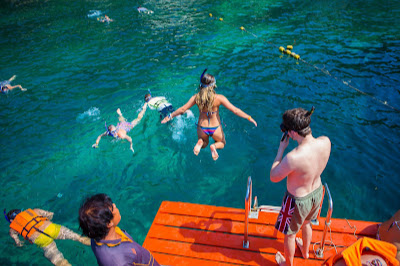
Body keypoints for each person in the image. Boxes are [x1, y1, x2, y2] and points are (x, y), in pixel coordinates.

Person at [270, 107, 331, 266]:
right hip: (317, 193)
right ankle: (305, 251)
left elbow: (274, 176)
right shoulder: (326, 141)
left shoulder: (293, 157)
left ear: (293, 133)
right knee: (307, 223)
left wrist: (281, 149)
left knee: (289, 235)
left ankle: (288, 264)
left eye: (287, 130)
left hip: (296, 201)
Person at [161, 69, 257, 160]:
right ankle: (214, 146)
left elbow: (182, 109)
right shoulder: (219, 98)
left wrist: (169, 116)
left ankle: (200, 142)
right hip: (215, 127)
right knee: (222, 143)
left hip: (202, 127)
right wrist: (249, 117)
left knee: (204, 143)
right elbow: (235, 110)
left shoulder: (196, 97)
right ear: (213, 85)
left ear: (201, 85)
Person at [78, 194, 160, 266]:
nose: (115, 205)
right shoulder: (119, 261)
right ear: (109, 223)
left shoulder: (96, 236)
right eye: (113, 208)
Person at [4, 208, 90, 266]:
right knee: (79, 238)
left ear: (11, 221)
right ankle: (101, 244)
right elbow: (50, 214)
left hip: (40, 239)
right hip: (52, 228)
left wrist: (20, 243)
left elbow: (18, 243)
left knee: (59, 261)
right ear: (21, 212)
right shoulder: (34, 210)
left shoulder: (12, 229)